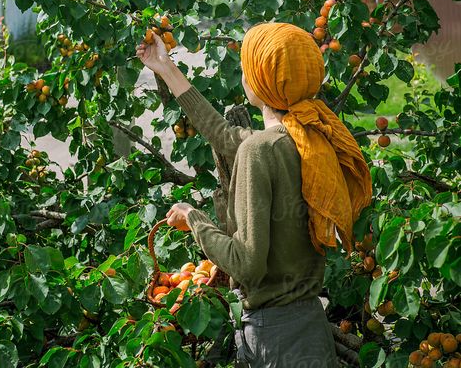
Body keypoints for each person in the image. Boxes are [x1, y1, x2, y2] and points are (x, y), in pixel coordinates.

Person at [136, 22, 372, 368]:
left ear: (261, 79)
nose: (244, 75)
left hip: (274, 340)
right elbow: (223, 134)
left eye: (248, 67)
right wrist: (166, 67)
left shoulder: (261, 151)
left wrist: (194, 219)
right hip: (310, 328)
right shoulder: (310, 137)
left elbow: (246, 264)